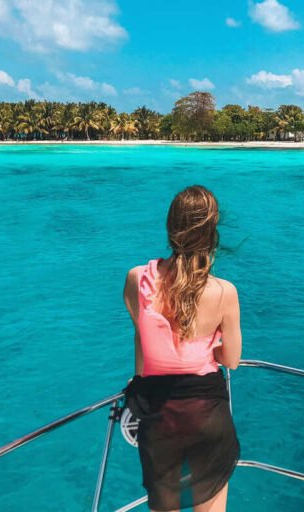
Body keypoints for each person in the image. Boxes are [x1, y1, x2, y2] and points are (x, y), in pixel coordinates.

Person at [123, 185, 242, 512]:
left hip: (159, 415)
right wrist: (212, 347)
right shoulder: (224, 292)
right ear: (211, 232)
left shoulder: (137, 279)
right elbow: (232, 359)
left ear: (171, 227)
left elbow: (144, 341)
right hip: (207, 415)